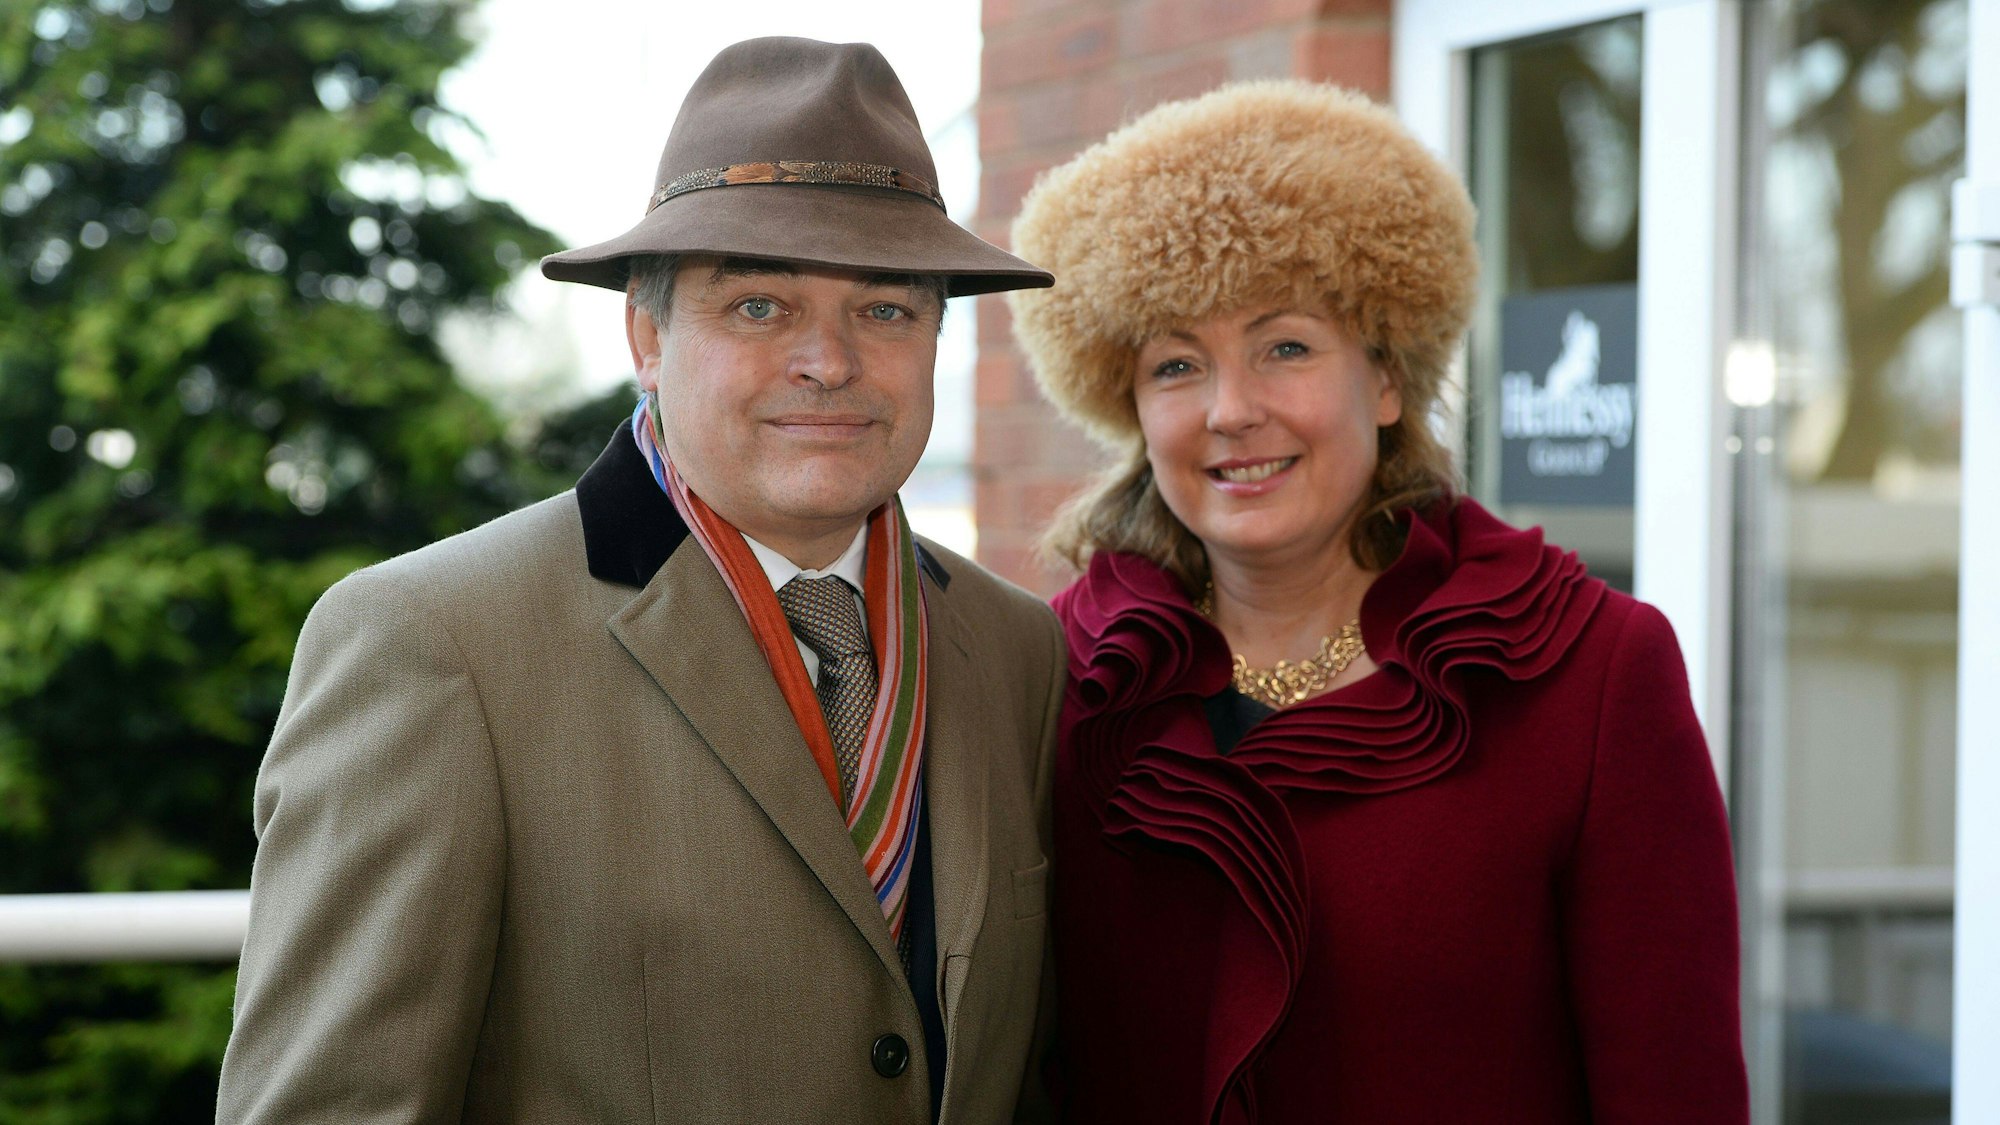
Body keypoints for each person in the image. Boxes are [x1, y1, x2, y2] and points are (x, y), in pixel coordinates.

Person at [217, 37, 1063, 1124]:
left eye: (886, 310)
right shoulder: (433, 643)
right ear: (646, 337)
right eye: (759, 306)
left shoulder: (1017, 650)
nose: (831, 361)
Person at [1007, 81, 1748, 1123]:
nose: (1230, 410)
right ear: (1126, 406)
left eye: (1286, 347)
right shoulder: (1057, 679)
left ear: (1387, 379)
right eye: (1176, 364)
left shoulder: (1590, 675)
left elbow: (1671, 1092)